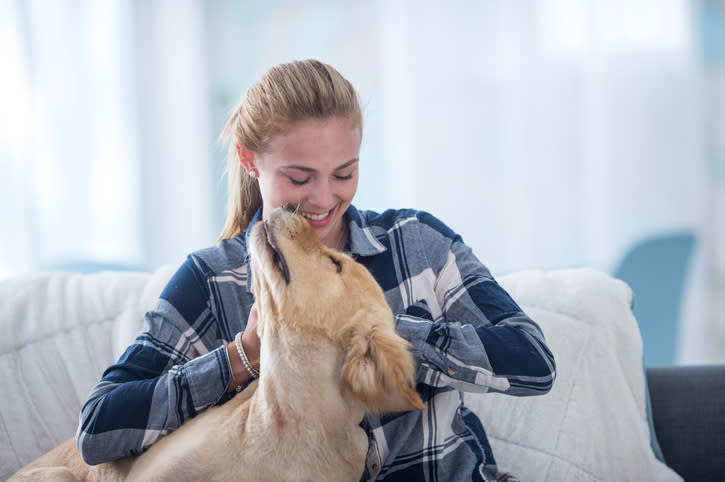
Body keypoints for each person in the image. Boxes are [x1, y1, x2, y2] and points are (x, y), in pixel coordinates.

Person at [76, 59, 556, 481]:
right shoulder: (211, 282)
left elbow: (533, 362)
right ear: (249, 159)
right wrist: (243, 356)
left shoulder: (417, 243)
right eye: (299, 178)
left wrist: (373, 335)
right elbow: (97, 428)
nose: (325, 200)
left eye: (344, 173)